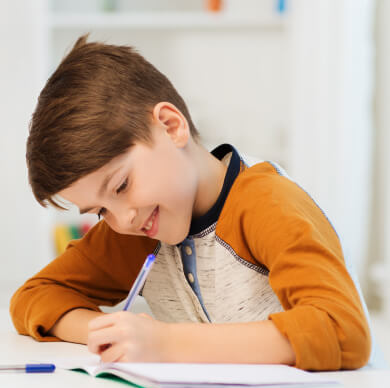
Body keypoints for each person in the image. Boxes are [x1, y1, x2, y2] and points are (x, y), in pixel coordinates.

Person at [10, 34, 371, 370]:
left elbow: (343, 330)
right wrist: (110, 333)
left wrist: (166, 343)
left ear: (170, 126)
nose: (123, 219)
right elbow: (34, 297)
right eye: (101, 210)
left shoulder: (269, 204)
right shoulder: (136, 230)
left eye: (121, 186)